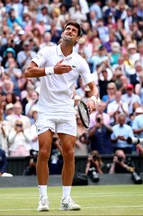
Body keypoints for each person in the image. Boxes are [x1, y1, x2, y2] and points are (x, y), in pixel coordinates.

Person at [25, 21, 98, 211]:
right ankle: (43, 199)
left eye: (74, 30)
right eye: (67, 29)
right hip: (46, 109)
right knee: (43, 151)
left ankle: (66, 199)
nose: (69, 31)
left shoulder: (80, 61)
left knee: (69, 153)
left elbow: (92, 87)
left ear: (77, 38)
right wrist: (52, 70)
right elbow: (28, 72)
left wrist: (93, 100)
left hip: (66, 110)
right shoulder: (47, 52)